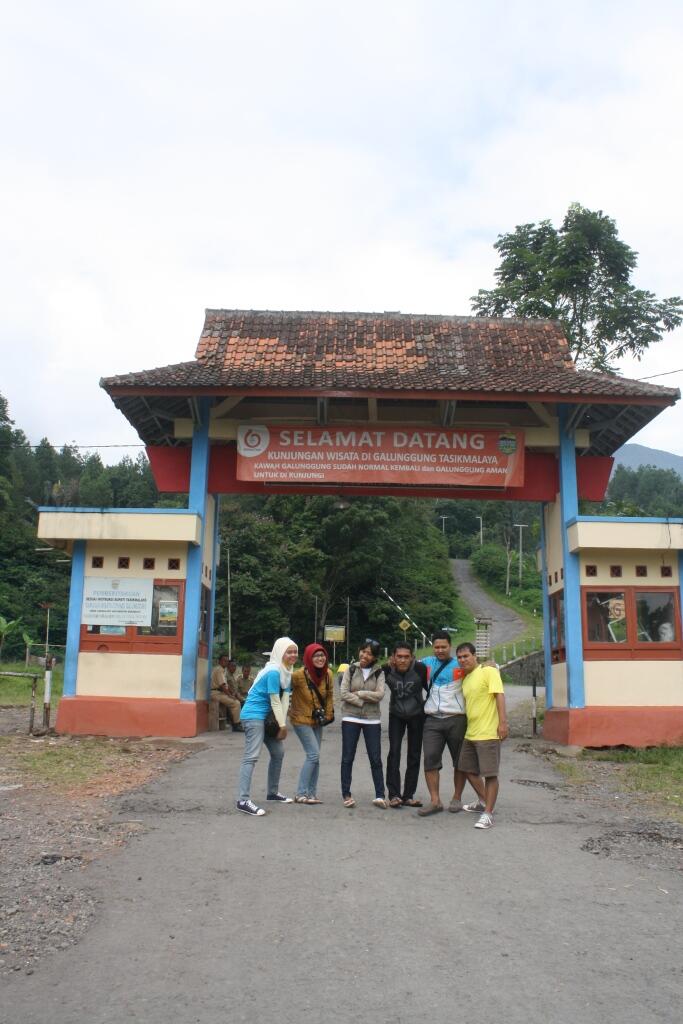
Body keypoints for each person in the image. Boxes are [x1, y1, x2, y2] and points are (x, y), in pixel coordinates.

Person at [418, 631, 485, 817]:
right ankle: (435, 801)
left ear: (450, 646)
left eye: (444, 647)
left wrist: (490, 664)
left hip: (456, 718)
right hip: (432, 719)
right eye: (437, 647)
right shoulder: (426, 663)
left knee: (460, 761)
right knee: (430, 759)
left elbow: (481, 669)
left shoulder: (461, 664)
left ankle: (456, 798)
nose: (440, 650)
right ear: (433, 647)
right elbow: (405, 665)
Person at [235, 637, 298, 816]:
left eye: (295, 651)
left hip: (267, 717)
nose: (293, 655)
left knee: (278, 752)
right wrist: (283, 726)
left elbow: (285, 699)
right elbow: (275, 700)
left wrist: (281, 723)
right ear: (280, 653)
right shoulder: (273, 671)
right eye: (289, 651)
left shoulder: (287, 671)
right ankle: (243, 799)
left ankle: (272, 792)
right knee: (251, 756)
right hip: (253, 715)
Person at [455, 641, 509, 830]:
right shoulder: (467, 678)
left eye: (466, 656)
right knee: (467, 769)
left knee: (490, 774)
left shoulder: (488, 671)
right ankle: (483, 801)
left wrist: (503, 723)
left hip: (488, 733)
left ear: (474, 656)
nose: (463, 660)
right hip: (471, 733)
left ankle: (488, 814)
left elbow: (499, 695)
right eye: (460, 657)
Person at [340, 640, 387, 808]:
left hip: (372, 718)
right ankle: (346, 794)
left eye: (369, 653)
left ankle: (380, 795)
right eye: (363, 651)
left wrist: (359, 693)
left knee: (375, 758)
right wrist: (362, 701)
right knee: (347, 757)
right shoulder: (350, 669)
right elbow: (344, 693)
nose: (365, 655)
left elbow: (380, 694)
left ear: (374, 657)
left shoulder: (379, 672)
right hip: (350, 717)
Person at [289, 643, 335, 804]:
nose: (320, 658)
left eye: (322, 655)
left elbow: (329, 696)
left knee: (315, 757)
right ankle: (300, 793)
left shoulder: (328, 674)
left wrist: (328, 715)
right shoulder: (297, 676)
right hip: (300, 719)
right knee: (313, 754)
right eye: (316, 656)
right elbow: (283, 691)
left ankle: (311, 794)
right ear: (309, 658)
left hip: (317, 721)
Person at [384, 642, 428, 807]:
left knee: (414, 754)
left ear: (412, 658)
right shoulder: (386, 669)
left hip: (417, 715)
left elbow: (431, 687)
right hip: (396, 715)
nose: (402, 660)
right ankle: (394, 794)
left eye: (406, 657)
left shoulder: (420, 669)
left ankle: (408, 795)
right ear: (393, 658)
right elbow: (367, 667)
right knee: (394, 752)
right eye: (399, 657)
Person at [210, 654, 245, 732]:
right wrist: (230, 695)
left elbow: (226, 686)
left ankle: (236, 723)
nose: (225, 662)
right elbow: (223, 685)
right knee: (236, 703)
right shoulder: (219, 670)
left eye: (227, 661)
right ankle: (236, 725)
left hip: (219, 692)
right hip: (215, 693)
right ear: (219, 661)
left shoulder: (222, 670)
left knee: (236, 701)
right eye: (224, 661)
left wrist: (231, 694)